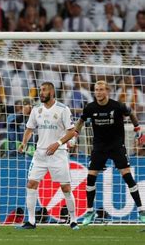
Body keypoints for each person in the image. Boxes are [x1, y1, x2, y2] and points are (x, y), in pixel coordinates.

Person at [75, 81, 145, 225]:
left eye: (101, 90)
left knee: (127, 176)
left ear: (107, 91)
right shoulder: (90, 107)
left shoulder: (117, 105)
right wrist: (75, 133)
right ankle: (89, 211)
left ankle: (141, 210)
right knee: (90, 178)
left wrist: (138, 129)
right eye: (96, 90)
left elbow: (131, 113)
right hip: (99, 147)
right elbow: (81, 120)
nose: (98, 92)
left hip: (116, 146)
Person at [18, 82, 78, 230]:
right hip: (40, 154)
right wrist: (24, 143)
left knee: (65, 188)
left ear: (51, 92)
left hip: (58, 154)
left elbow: (72, 132)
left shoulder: (63, 109)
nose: (41, 93)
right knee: (31, 184)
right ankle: (31, 221)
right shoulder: (36, 110)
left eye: (44, 90)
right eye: (40, 90)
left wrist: (58, 143)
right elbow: (29, 128)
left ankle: (73, 220)